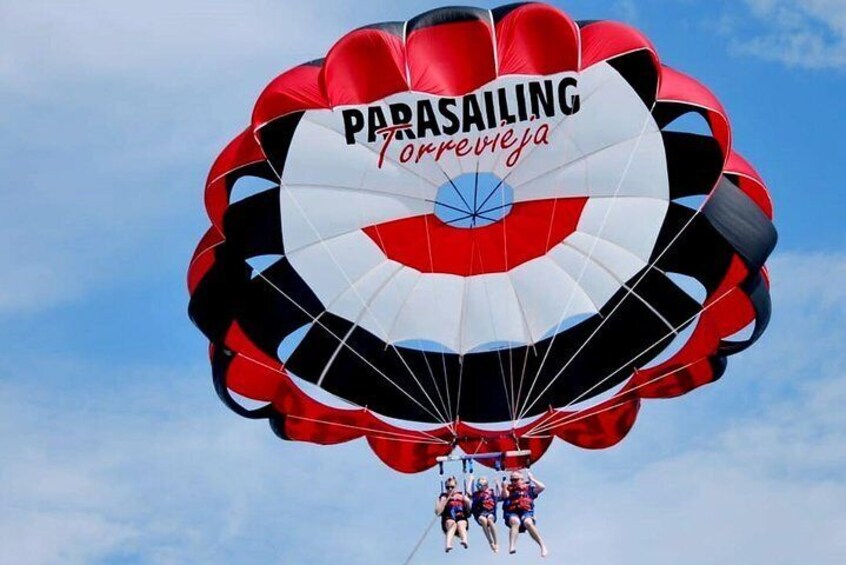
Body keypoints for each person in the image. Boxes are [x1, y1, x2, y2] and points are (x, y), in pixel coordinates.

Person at [501, 469, 548, 557]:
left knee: (528, 522)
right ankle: (512, 546)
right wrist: (503, 487)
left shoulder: (529, 489)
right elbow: (504, 496)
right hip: (512, 512)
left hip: (525, 511)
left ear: (522, 479)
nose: (513, 482)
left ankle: (542, 546)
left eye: (516, 479)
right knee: (515, 522)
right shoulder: (509, 489)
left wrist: (532, 479)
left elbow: (542, 487)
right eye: (512, 480)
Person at [434, 476, 471, 552]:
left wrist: (467, 502)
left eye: (452, 487)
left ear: (456, 487)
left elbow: (469, 513)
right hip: (448, 518)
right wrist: (443, 502)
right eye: (448, 487)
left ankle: (464, 540)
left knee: (461, 523)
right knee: (452, 523)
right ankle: (448, 544)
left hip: (461, 517)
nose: (450, 489)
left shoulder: (462, 496)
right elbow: (438, 512)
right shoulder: (443, 497)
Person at [466, 474, 501, 553]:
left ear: (486, 486)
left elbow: (500, 495)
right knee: (483, 520)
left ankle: (496, 543)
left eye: (480, 485)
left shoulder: (491, 492)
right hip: (479, 513)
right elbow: (468, 492)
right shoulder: (475, 494)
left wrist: (498, 483)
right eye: (477, 485)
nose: (478, 487)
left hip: (490, 511)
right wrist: (471, 480)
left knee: (490, 520)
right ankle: (490, 542)